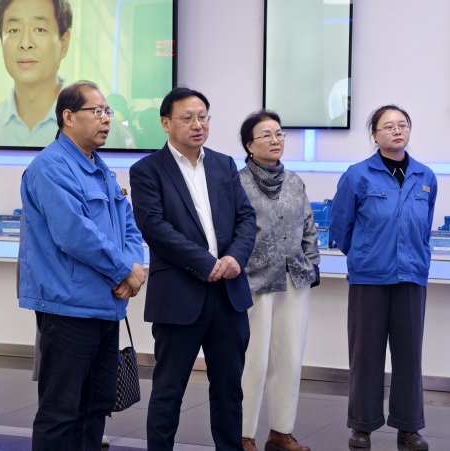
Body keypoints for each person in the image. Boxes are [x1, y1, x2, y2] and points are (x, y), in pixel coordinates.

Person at [18, 80, 145, 450]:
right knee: (61, 411)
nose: (106, 119)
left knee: (96, 407)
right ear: (69, 117)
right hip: (68, 307)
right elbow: (74, 234)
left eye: (108, 112)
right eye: (97, 111)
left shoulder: (100, 168)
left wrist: (134, 268)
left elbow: (128, 225)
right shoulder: (50, 167)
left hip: (105, 305)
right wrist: (125, 270)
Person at [129, 86, 257, 451]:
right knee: (169, 390)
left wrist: (234, 259)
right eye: (187, 118)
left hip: (229, 294)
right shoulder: (147, 170)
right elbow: (154, 227)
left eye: (203, 117)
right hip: (179, 296)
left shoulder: (224, 164)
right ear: (165, 123)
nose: (197, 124)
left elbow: (246, 218)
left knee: (229, 389)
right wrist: (206, 263)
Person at [330, 105, 436, 451]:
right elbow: (341, 228)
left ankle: (409, 428)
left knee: (409, 356)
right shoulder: (357, 175)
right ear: (374, 135)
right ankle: (362, 426)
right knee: (366, 354)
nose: (397, 131)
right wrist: (365, 255)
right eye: (388, 126)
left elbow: (423, 229)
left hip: (411, 278)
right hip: (369, 279)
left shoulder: (425, 176)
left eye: (402, 125)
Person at [238, 110, 320, 451]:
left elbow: (309, 226)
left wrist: (311, 264)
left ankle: (281, 431)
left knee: (289, 357)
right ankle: (243, 434)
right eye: (267, 135)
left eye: (279, 133)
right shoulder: (237, 183)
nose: (276, 140)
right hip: (254, 280)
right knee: (253, 361)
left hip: (294, 279)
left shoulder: (295, 181)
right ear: (249, 144)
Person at [0, 0, 72, 147]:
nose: (25, 44)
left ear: (64, 42)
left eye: (39, 29)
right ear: (1, 39)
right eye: (14, 30)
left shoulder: (99, 127)